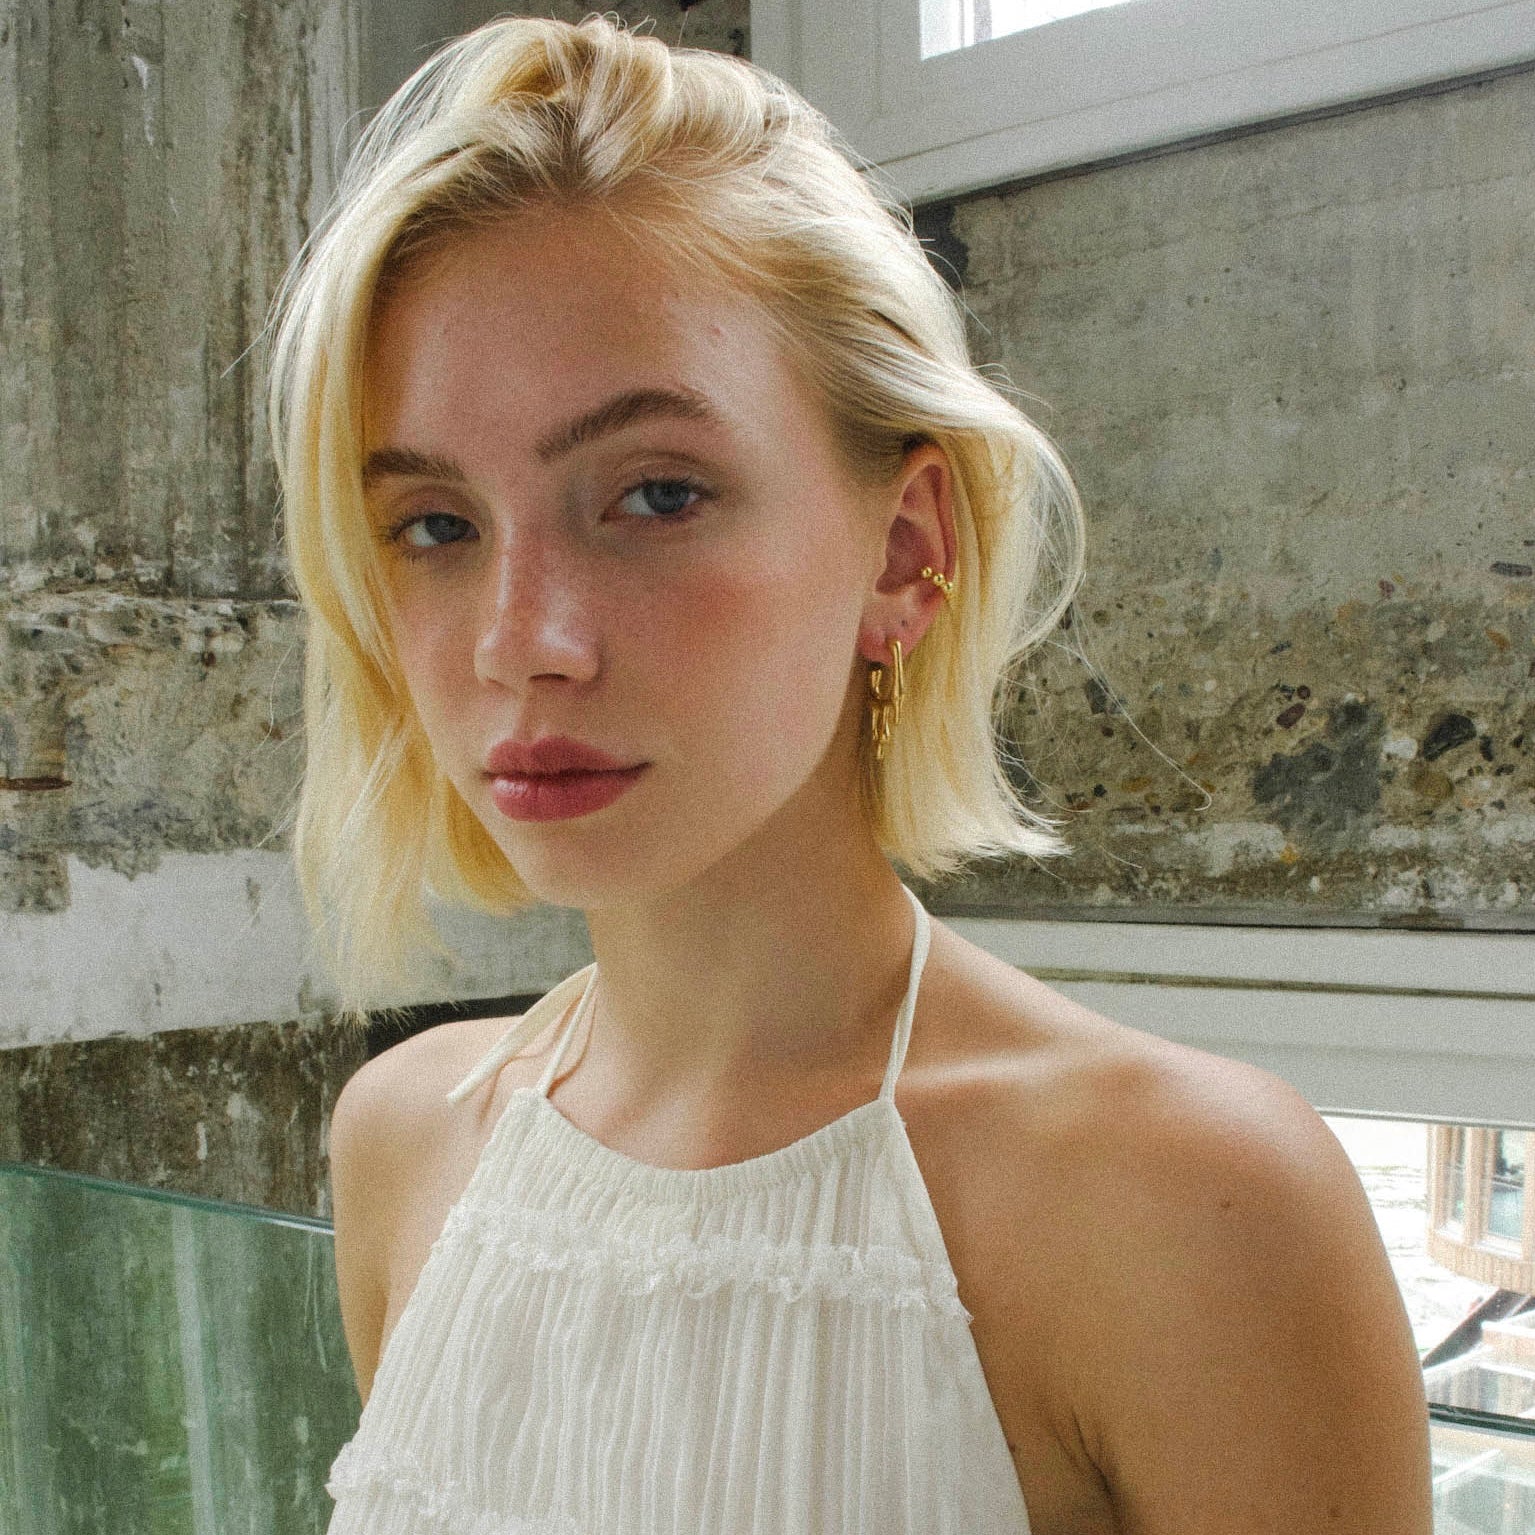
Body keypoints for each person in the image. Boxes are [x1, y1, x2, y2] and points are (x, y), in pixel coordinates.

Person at [265, 14, 1432, 1533]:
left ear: (903, 550)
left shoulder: (1186, 1207)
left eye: (656, 495)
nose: (519, 642)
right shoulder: (406, 1136)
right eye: (435, 524)